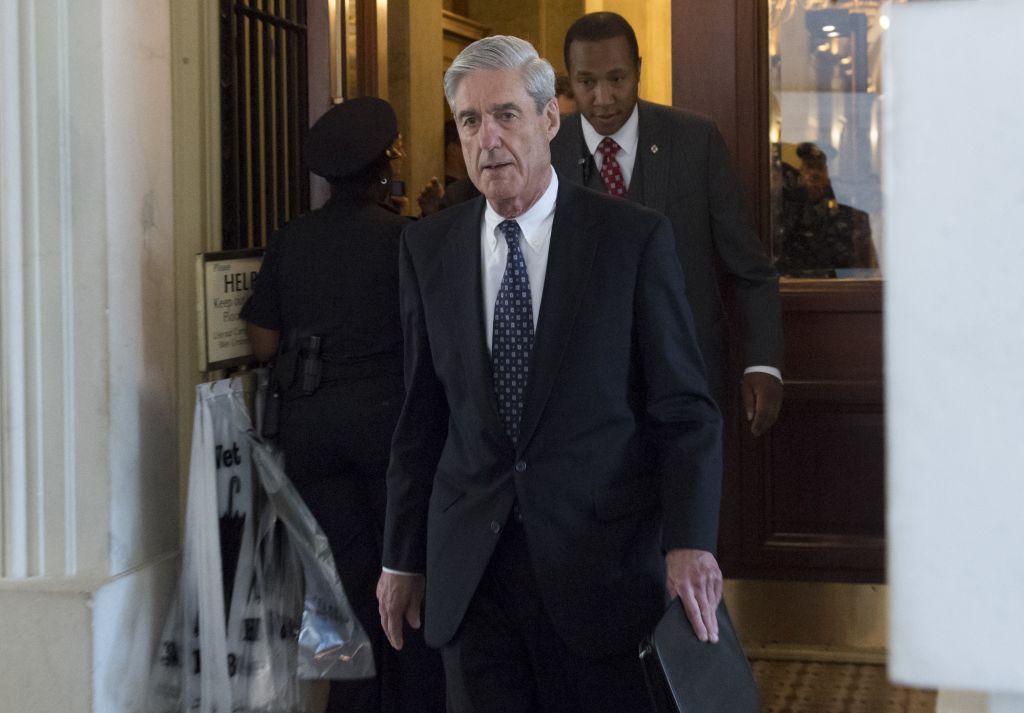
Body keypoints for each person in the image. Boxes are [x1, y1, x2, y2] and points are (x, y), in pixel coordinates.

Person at [376, 35, 724, 713]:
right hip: (473, 574)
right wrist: (400, 555)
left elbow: (684, 409)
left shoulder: (630, 240)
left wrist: (690, 542)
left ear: (548, 121)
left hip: (599, 570)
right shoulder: (428, 247)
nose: (489, 138)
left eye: (506, 114)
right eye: (470, 122)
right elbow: (421, 417)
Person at [240, 97, 444, 713]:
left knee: (344, 582)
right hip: (389, 432)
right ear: (383, 169)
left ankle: (354, 701)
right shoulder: (406, 240)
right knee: (406, 573)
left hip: (311, 432)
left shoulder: (291, 238)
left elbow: (262, 341)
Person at [550, 12, 784, 436]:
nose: (602, 98)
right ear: (569, 78)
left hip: (687, 386)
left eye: (617, 79)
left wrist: (762, 361)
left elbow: (750, 268)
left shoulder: (696, 141)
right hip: (581, 402)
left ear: (639, 68)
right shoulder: (545, 154)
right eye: (586, 82)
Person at [774, 141, 878, 276]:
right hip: (795, 285)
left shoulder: (847, 211)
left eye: (820, 168)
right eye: (809, 167)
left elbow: (859, 263)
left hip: (835, 286)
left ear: (828, 174)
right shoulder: (788, 209)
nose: (814, 174)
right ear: (801, 172)